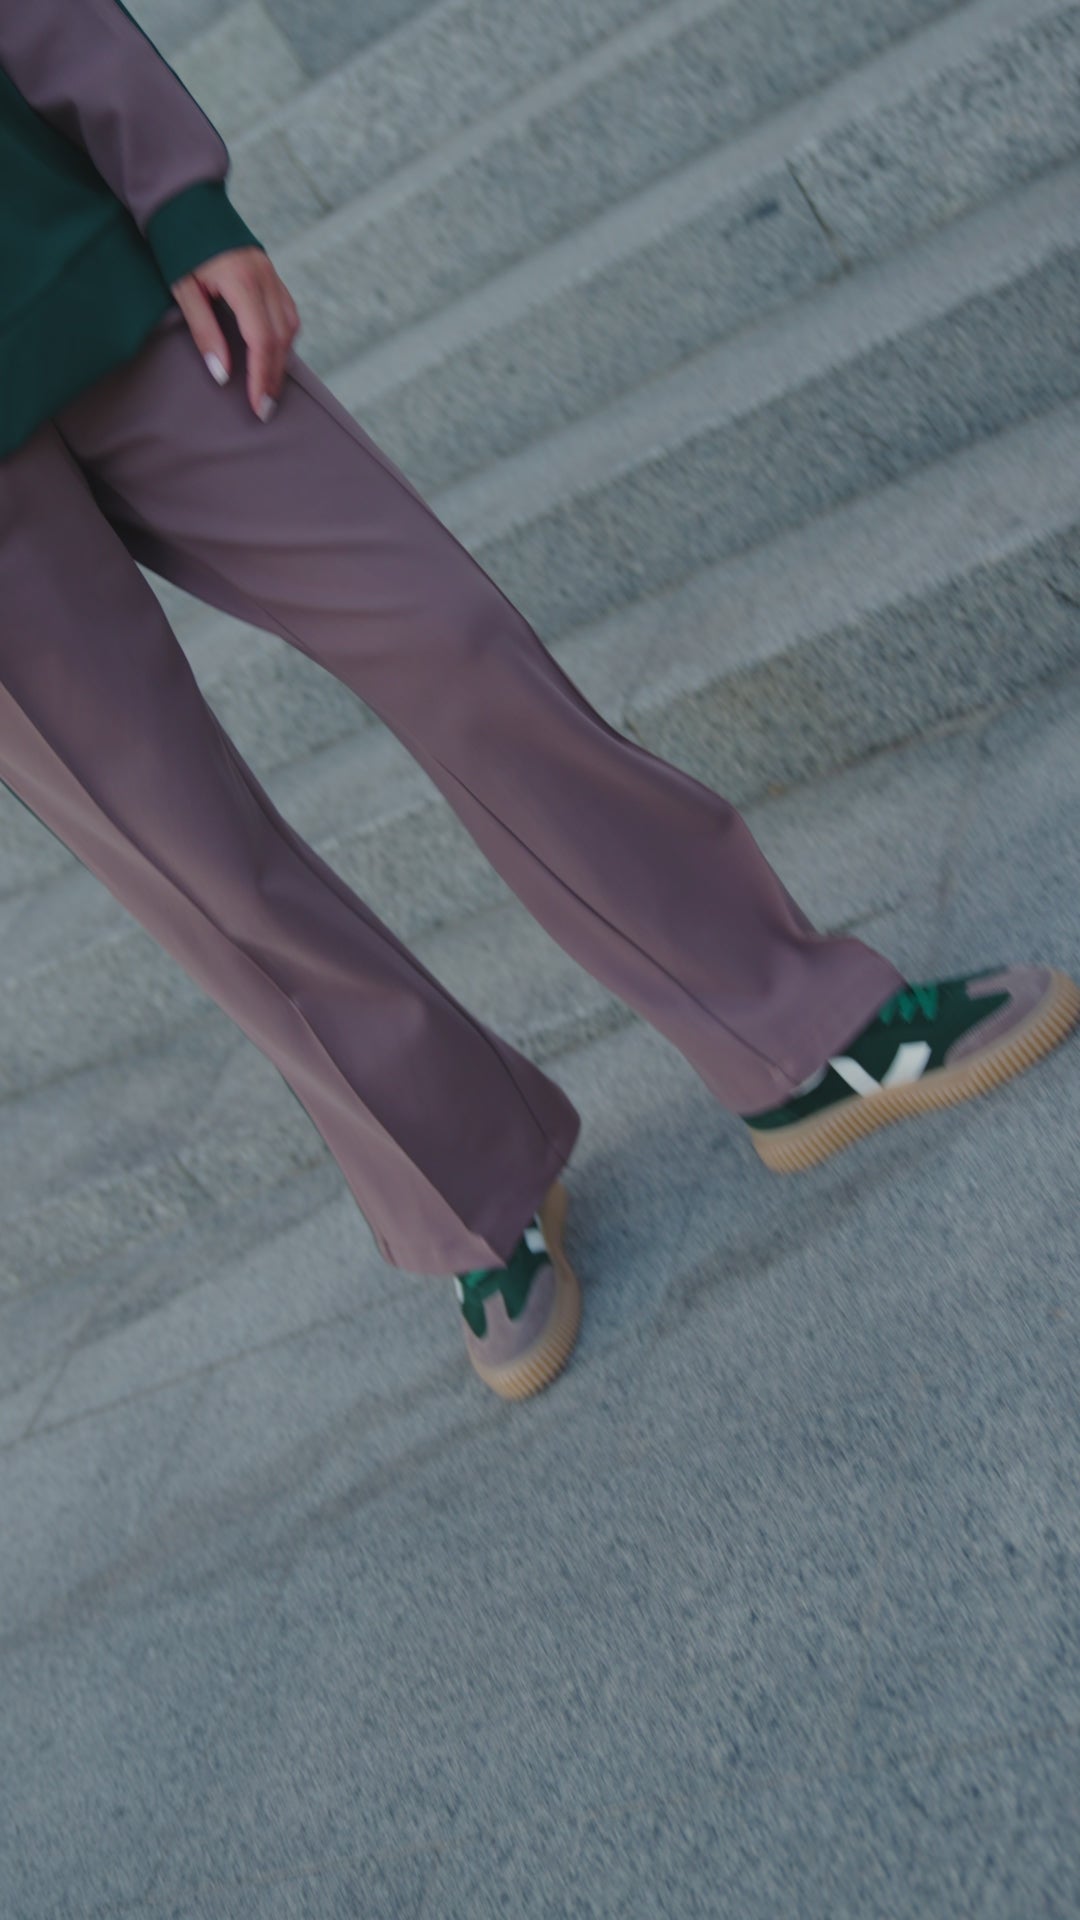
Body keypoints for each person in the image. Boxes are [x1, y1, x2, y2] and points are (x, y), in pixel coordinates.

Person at [1, 1, 1076, 1402]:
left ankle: (791, 1028)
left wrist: (183, 203)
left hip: (87, 278)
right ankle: (469, 1192)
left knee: (447, 638)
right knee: (191, 861)